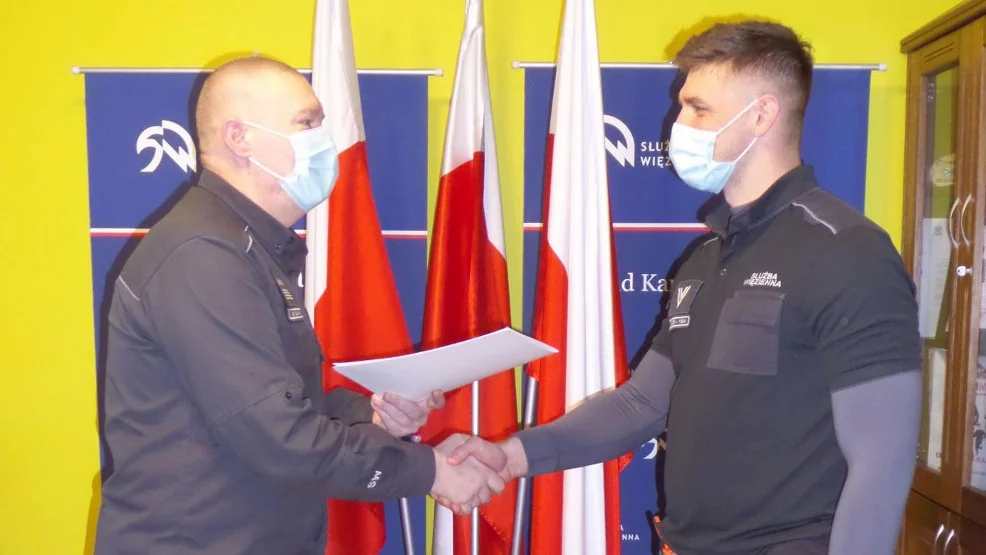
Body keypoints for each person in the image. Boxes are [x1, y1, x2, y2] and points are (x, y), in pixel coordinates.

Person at [445, 20, 922, 555]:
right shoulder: (705, 260)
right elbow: (640, 404)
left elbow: (882, 459)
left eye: (698, 109)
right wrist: (510, 456)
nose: (678, 125)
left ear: (762, 114)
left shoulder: (846, 251)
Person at [94, 56, 501, 555]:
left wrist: (372, 417)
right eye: (306, 124)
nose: (323, 142)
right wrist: (430, 471)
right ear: (239, 138)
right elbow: (279, 437)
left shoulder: (247, 247)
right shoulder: (202, 254)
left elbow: (283, 403)